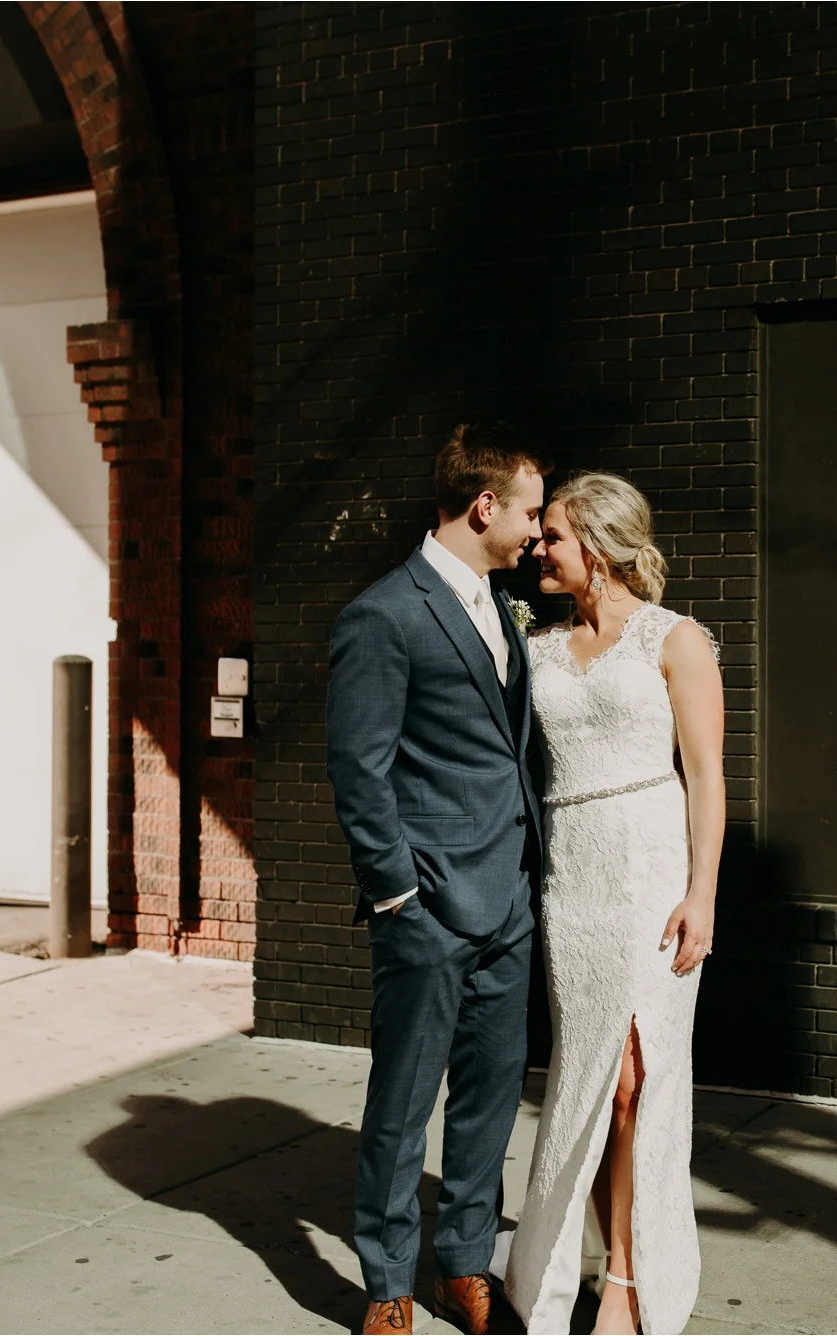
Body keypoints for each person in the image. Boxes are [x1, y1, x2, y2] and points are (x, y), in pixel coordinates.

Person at [326, 422, 550, 1336]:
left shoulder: (501, 605)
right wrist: (396, 895)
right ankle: (385, 1282)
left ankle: (464, 1262)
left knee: (492, 1098)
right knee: (403, 1104)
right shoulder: (383, 614)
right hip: (426, 908)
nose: (539, 532)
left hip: (511, 898)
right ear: (485, 505)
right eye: (532, 512)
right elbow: (359, 767)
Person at [503, 471, 724, 1336]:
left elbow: (705, 778)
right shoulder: (540, 649)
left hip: (653, 873)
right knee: (592, 1080)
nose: (538, 549)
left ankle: (630, 1279)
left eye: (552, 535)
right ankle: (580, 1263)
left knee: (637, 1081)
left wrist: (702, 893)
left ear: (594, 545)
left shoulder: (676, 640)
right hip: (574, 882)